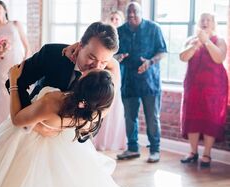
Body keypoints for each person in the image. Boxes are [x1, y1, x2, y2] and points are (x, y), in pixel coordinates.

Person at [0, 65, 131, 187]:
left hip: (26, 145)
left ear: (83, 84)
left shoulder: (53, 101)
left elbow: (17, 120)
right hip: (66, 150)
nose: (91, 68)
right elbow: (113, 68)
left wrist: (14, 82)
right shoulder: (93, 113)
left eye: (88, 73)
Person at [5, 21, 120, 140]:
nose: (96, 67)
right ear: (80, 46)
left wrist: (66, 129)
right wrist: (34, 123)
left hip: (72, 142)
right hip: (31, 136)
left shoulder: (105, 76)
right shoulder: (52, 54)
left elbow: (99, 114)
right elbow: (15, 81)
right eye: (91, 58)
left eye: (104, 62)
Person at [116, 2, 167, 163]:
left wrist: (150, 62)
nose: (132, 17)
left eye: (135, 14)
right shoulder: (119, 31)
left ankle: (155, 150)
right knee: (129, 117)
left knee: (152, 117)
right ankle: (132, 148)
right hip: (128, 81)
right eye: (129, 15)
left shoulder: (154, 29)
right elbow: (112, 53)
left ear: (141, 13)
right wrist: (117, 58)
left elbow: (162, 51)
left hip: (149, 82)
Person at [179, 13, 228, 167]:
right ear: (199, 23)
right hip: (193, 86)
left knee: (210, 118)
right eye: (202, 20)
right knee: (192, 117)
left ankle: (207, 154)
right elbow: (183, 57)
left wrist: (206, 42)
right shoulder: (191, 40)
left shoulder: (219, 40)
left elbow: (219, 58)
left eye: (209, 20)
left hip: (214, 88)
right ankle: (193, 152)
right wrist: (195, 45)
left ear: (213, 23)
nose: (205, 22)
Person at [0, 0, 30, 129]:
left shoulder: (15, 24)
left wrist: (24, 64)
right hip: (1, 67)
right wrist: (1, 52)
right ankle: (2, 128)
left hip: (17, 64)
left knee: (19, 92)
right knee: (3, 96)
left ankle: (20, 123)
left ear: (5, 10)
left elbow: (27, 47)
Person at [91, 11, 126, 150]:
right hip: (102, 73)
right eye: (112, 18)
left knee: (114, 107)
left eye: (117, 19)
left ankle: (112, 141)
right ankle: (98, 139)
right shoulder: (102, 36)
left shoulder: (123, 37)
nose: (114, 20)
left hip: (117, 75)